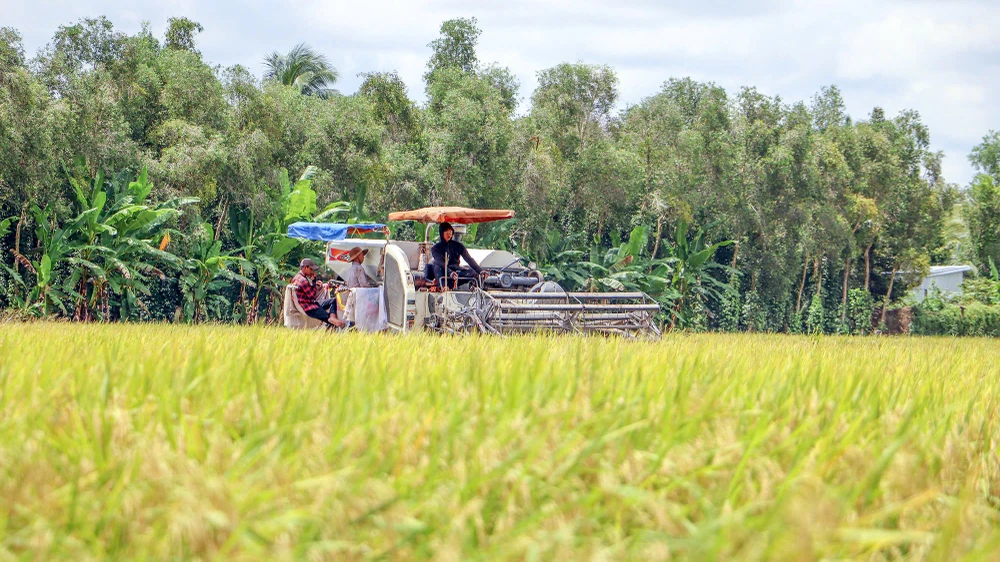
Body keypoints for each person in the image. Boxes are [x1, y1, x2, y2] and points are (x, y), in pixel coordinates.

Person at [427, 222, 486, 289]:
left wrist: (480, 271)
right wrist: (450, 272)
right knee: (437, 267)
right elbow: (440, 262)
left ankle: (477, 288)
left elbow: (469, 259)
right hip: (443, 272)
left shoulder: (458, 246)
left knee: (473, 272)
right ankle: (443, 287)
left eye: (450, 232)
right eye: (446, 233)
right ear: (442, 233)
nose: (449, 235)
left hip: (456, 271)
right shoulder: (435, 248)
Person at [291, 258, 345, 328]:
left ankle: (332, 317)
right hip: (310, 308)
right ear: (305, 267)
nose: (312, 272)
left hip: (311, 304)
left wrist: (314, 283)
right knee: (333, 323)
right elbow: (312, 296)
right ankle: (331, 320)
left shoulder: (296, 278)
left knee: (333, 300)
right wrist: (313, 281)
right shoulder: (303, 280)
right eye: (311, 269)